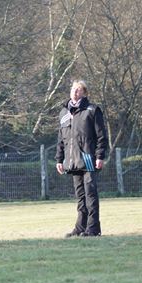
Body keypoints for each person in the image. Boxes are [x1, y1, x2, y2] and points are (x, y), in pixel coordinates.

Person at [55, 79, 108, 237]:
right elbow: (61, 139)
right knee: (80, 196)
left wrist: (99, 156)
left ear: (84, 93)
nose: (74, 92)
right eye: (73, 89)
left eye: (78, 90)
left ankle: (93, 229)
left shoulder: (92, 110)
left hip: (87, 157)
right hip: (71, 161)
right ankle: (80, 227)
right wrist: (59, 160)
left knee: (90, 193)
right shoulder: (64, 113)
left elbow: (101, 136)